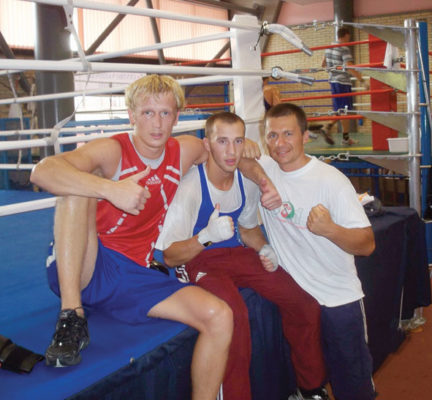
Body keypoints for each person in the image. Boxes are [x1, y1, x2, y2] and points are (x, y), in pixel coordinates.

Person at [30, 75, 280, 400]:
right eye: (147, 113)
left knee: (219, 315)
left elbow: (229, 156)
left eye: (165, 113)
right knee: (76, 189)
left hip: (135, 273)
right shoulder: (112, 150)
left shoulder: (185, 149)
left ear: (176, 117)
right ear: (132, 115)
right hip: (87, 263)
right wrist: (110, 189)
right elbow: (43, 171)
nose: (157, 123)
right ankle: (71, 315)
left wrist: (262, 179)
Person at [155, 111, 328, 400]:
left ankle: (310, 389)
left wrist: (264, 248)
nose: (231, 151)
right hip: (196, 259)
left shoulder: (245, 181)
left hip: (235, 253)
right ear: (207, 145)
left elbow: (247, 229)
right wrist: (205, 237)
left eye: (237, 141)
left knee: (303, 303)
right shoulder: (191, 187)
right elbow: (170, 256)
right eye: (222, 141)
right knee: (234, 317)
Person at [259, 103, 377, 400]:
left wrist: (330, 229)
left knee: (353, 386)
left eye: (288, 134)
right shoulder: (266, 169)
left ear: (305, 136)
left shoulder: (331, 180)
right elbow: (238, 159)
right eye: (272, 135)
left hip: (338, 299)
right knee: (310, 385)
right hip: (298, 300)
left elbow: (367, 244)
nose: (280, 143)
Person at [321, 27, 368, 146]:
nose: (349, 39)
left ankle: (327, 127)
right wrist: (362, 81)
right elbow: (349, 66)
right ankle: (345, 139)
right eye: (349, 37)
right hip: (343, 83)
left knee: (339, 110)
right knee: (344, 112)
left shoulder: (329, 47)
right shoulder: (344, 48)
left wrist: (333, 71)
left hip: (333, 82)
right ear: (346, 35)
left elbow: (323, 64)